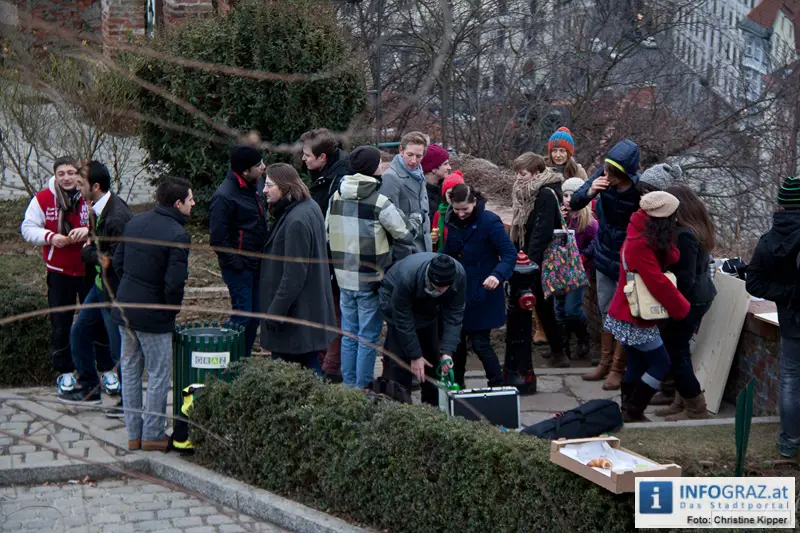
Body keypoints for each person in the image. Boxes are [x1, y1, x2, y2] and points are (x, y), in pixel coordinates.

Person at [113, 178, 194, 452]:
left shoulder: (134, 222)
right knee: (159, 374)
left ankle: (133, 435)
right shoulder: (178, 235)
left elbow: (118, 263)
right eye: (191, 199)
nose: (194, 204)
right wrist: (170, 312)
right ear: (178, 203)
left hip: (125, 309)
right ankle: (153, 435)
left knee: (130, 370)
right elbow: (174, 283)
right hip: (154, 315)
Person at [326, 146, 413, 388]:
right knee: (367, 337)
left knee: (349, 334)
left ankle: (349, 386)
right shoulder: (379, 201)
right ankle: (362, 388)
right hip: (371, 280)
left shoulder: (336, 197)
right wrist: (415, 219)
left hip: (344, 278)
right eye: (380, 163)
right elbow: (405, 234)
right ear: (373, 168)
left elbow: (327, 232)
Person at [605, 191, 690, 422]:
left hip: (626, 312)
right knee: (661, 363)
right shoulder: (640, 244)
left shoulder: (641, 232)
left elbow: (670, 257)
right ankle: (634, 408)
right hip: (633, 316)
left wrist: (667, 242)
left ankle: (628, 410)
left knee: (636, 362)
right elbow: (657, 282)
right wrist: (681, 308)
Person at [58, 161, 133, 414]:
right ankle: (90, 389)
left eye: (81, 184)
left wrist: (89, 252)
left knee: (118, 348)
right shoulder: (96, 208)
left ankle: (129, 400)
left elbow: (111, 260)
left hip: (114, 293)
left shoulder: (116, 217)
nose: (78, 189)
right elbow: (99, 253)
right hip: (100, 287)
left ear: (96, 186)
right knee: (79, 331)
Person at [571, 140, 642, 389]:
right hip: (604, 255)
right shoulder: (602, 177)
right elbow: (575, 202)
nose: (607, 174)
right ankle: (603, 362)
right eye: (606, 169)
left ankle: (617, 368)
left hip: (628, 260)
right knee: (605, 310)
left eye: (613, 171)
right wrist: (591, 192)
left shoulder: (639, 188)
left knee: (624, 314)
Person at [21, 157, 92, 394]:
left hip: (88, 268)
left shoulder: (88, 194)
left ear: (78, 174)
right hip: (59, 271)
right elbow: (28, 228)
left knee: (96, 321)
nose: (67, 178)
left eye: (71, 172)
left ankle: (99, 370)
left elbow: (106, 222)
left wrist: (89, 231)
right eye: (61, 173)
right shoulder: (43, 199)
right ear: (55, 175)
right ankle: (64, 373)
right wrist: (51, 237)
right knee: (61, 324)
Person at [260, 163, 336, 374]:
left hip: (297, 315)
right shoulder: (308, 207)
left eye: (269, 185)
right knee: (308, 365)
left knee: (297, 372)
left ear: (284, 187)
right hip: (307, 312)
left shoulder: (296, 221)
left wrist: (275, 313)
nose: (264, 190)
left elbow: (293, 275)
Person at [650, 184, 716, 421]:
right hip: (698, 296)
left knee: (676, 352)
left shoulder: (686, 234)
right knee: (678, 351)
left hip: (690, 300)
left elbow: (685, 278)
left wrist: (672, 304)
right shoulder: (695, 229)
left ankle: (696, 408)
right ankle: (682, 401)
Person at [745, 175, 800, 458]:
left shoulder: (769, 240)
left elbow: (753, 282)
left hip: (791, 322)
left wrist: (787, 293)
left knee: (790, 378)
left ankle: (790, 441)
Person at [444, 184, 516, 389]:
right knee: (456, 344)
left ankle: (497, 386)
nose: (460, 214)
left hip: (483, 290)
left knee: (480, 344)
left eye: (464, 209)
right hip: (459, 290)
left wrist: (497, 275)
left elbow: (509, 253)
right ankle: (456, 386)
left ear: (474, 202)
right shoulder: (452, 220)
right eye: (456, 209)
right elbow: (449, 251)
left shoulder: (490, 221)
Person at [379, 253, 465, 405]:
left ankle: (431, 407)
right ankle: (400, 406)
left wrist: (447, 352)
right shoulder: (407, 277)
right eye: (439, 287)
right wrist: (415, 355)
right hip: (394, 298)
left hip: (428, 308)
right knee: (400, 360)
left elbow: (455, 315)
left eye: (447, 287)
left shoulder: (459, 275)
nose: (443, 290)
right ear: (430, 279)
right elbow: (403, 319)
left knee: (432, 357)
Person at [300, 129, 351, 382]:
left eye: (307, 155)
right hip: (327, 256)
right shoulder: (325, 174)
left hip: (335, 258)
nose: (303, 159)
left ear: (322, 157)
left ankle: (332, 366)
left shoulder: (338, 180)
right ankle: (324, 359)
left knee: (335, 310)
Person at [209, 145, 268, 357]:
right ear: (245, 171)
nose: (263, 167)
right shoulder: (224, 197)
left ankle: (242, 359)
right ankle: (225, 357)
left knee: (255, 316)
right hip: (239, 268)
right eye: (258, 165)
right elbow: (218, 239)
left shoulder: (255, 185)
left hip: (257, 264)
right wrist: (238, 263)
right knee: (243, 316)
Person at [510, 152, 568, 367]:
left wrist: (529, 264)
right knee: (542, 306)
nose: (518, 178)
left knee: (543, 306)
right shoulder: (526, 192)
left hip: (541, 259)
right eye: (516, 173)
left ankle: (560, 352)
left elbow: (541, 232)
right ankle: (558, 349)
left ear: (536, 173)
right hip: (531, 257)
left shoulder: (545, 194)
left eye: (522, 173)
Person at [557, 177, 599, 359]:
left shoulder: (589, 222)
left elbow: (597, 242)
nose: (567, 199)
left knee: (571, 309)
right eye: (564, 195)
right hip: (558, 268)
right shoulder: (560, 216)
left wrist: (583, 257)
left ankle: (583, 337)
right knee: (558, 308)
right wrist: (558, 222)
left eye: (571, 195)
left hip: (578, 270)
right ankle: (562, 345)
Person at [379, 131, 432, 257]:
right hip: (405, 253)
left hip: (423, 249)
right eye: (410, 154)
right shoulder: (390, 178)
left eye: (418, 156)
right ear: (401, 151)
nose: (414, 161)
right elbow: (389, 222)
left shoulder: (419, 175)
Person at [431, 170, 464, 252]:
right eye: (449, 193)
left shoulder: (466, 212)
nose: (453, 197)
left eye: (456, 192)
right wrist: (433, 241)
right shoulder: (439, 213)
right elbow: (434, 237)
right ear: (444, 194)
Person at [421, 144, 451, 217]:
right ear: (433, 168)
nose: (449, 167)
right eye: (445, 164)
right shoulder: (419, 193)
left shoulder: (449, 188)